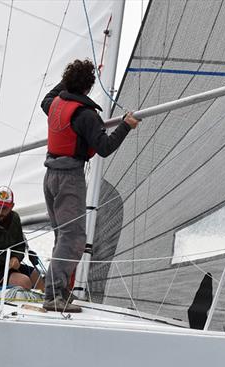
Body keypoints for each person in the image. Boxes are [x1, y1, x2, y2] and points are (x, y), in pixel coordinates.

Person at [40, 58, 140, 312]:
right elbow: (104, 148)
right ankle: (53, 296)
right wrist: (126, 126)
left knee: (62, 236)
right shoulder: (86, 116)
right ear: (88, 87)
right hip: (69, 179)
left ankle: (59, 290)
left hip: (50, 175)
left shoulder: (53, 104)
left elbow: (50, 96)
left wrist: (72, 78)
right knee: (73, 238)